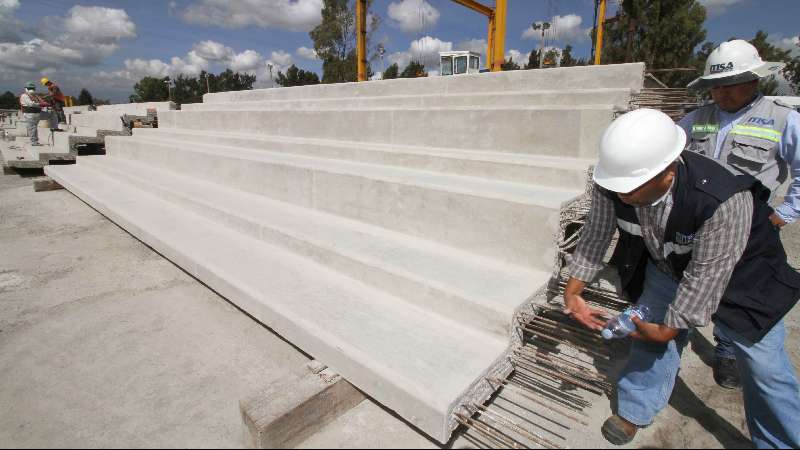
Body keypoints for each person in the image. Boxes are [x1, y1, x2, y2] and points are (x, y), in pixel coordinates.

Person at [564, 108, 800, 448]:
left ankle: (781, 442)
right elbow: (596, 234)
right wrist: (574, 292)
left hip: (743, 276)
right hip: (669, 266)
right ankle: (635, 409)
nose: (624, 195)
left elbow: (705, 278)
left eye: (633, 187)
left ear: (668, 169)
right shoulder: (611, 183)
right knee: (648, 340)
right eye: (619, 186)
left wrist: (666, 328)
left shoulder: (722, 199)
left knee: (766, 370)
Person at [678, 39, 800, 390]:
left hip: (750, 228)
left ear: (753, 80)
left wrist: (785, 213)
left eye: (729, 85)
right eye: (715, 86)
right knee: (691, 281)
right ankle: (677, 335)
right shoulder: (696, 118)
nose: (721, 94)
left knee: (739, 292)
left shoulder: (783, 119)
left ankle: (728, 349)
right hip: (698, 223)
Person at [19, 82, 46, 147]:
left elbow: (41, 101)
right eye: (30, 88)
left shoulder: (35, 95)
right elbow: (30, 104)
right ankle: (34, 141)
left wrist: (44, 103)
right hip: (29, 114)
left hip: (37, 113)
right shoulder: (24, 96)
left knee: (52, 115)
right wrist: (40, 104)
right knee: (32, 128)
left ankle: (55, 128)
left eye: (33, 88)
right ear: (26, 89)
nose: (32, 89)